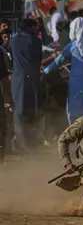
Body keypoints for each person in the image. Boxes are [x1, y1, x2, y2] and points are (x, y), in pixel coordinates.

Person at [44, 17, 83, 124]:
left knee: (73, 109)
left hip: (76, 82)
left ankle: (75, 132)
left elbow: (58, 60)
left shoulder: (72, 46)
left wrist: (46, 70)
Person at [11, 19, 43, 151]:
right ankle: (31, 144)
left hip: (17, 79)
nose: (37, 29)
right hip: (32, 80)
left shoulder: (13, 40)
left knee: (18, 113)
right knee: (32, 111)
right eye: (35, 26)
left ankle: (22, 145)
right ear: (30, 27)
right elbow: (38, 60)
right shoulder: (36, 41)